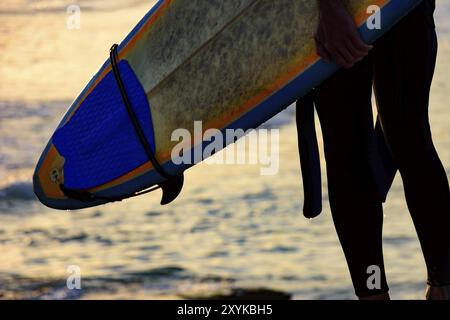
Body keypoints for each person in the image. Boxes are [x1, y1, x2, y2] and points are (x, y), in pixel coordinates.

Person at [297, 0, 450, 299]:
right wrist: (329, 8)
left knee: (406, 135)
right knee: (350, 148)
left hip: (400, 6)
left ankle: (442, 285)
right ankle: (374, 291)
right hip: (324, 12)